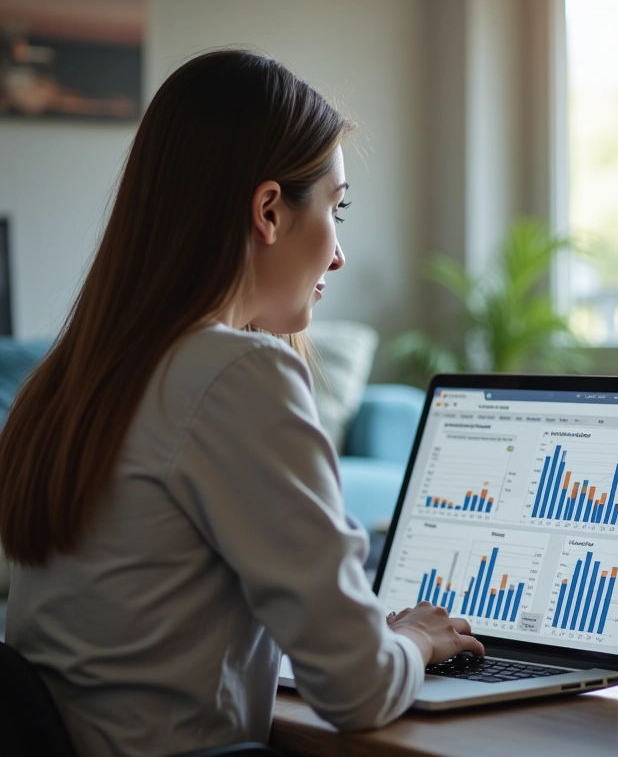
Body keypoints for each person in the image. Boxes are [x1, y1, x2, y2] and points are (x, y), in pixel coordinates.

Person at [0, 49, 483, 757]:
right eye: (334, 207)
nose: (339, 253)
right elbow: (357, 690)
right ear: (268, 211)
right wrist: (412, 637)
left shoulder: (71, 379)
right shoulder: (234, 374)